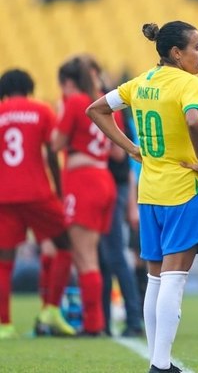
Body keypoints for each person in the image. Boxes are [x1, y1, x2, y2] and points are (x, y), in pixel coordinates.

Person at [86, 20, 198, 373]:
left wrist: (132, 149)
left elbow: (95, 110)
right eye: (197, 47)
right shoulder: (189, 83)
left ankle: (160, 362)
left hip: (150, 193)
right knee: (174, 279)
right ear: (176, 52)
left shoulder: (139, 83)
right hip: (183, 189)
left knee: (156, 279)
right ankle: (159, 364)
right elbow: (193, 121)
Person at [0, 69, 75, 339]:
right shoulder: (41, 111)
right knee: (66, 245)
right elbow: (53, 153)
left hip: (4, 196)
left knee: (4, 261)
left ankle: (4, 325)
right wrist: (59, 188)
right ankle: (51, 310)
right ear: (29, 86)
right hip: (37, 192)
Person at [51, 57, 120, 336]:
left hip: (83, 181)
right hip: (104, 179)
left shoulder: (75, 102)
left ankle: (93, 323)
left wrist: (60, 114)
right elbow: (116, 150)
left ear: (67, 82)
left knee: (84, 256)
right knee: (91, 254)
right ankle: (95, 321)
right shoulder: (101, 103)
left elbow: (56, 142)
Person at [83, 56, 144, 338]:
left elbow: (125, 154)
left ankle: (132, 318)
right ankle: (105, 320)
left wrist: (131, 201)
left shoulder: (111, 107)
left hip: (115, 186)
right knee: (105, 256)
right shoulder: (103, 105)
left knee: (115, 255)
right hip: (106, 186)